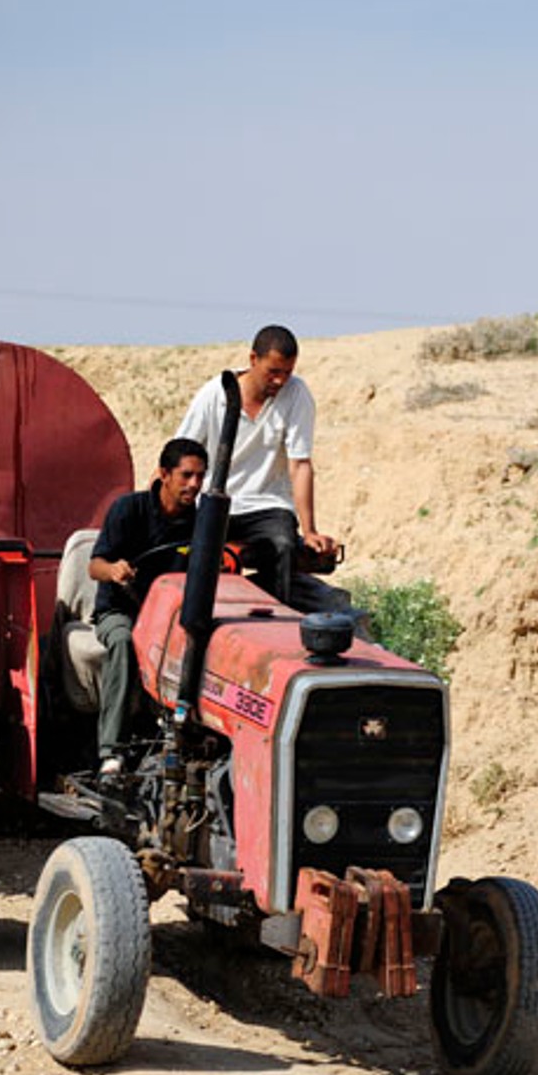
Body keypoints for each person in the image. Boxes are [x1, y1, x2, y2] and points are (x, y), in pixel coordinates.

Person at [174, 324, 335, 604]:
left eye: (287, 373)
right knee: (180, 551)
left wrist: (309, 530)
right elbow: (179, 454)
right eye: (273, 372)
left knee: (282, 545)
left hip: (266, 505)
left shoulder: (296, 395)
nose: (280, 381)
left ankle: (277, 617)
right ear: (253, 360)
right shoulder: (216, 394)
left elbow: (300, 465)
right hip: (214, 504)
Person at [88, 437, 208, 774]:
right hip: (121, 610)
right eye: (186, 475)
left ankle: (192, 742)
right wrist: (113, 570)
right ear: (164, 474)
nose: (194, 484)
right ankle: (111, 751)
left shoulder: (202, 523)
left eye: (200, 477)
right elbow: (94, 565)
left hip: (169, 619)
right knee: (125, 642)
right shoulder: (128, 509)